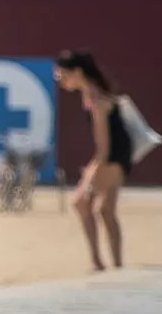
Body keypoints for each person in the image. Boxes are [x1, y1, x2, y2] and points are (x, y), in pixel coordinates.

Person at [53, 51, 129, 271]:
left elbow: (104, 143)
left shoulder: (94, 97)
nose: (61, 82)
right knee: (106, 209)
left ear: (77, 72)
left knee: (80, 202)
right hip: (120, 154)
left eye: (62, 76)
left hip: (113, 156)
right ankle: (116, 264)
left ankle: (97, 262)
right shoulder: (94, 92)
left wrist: (95, 168)